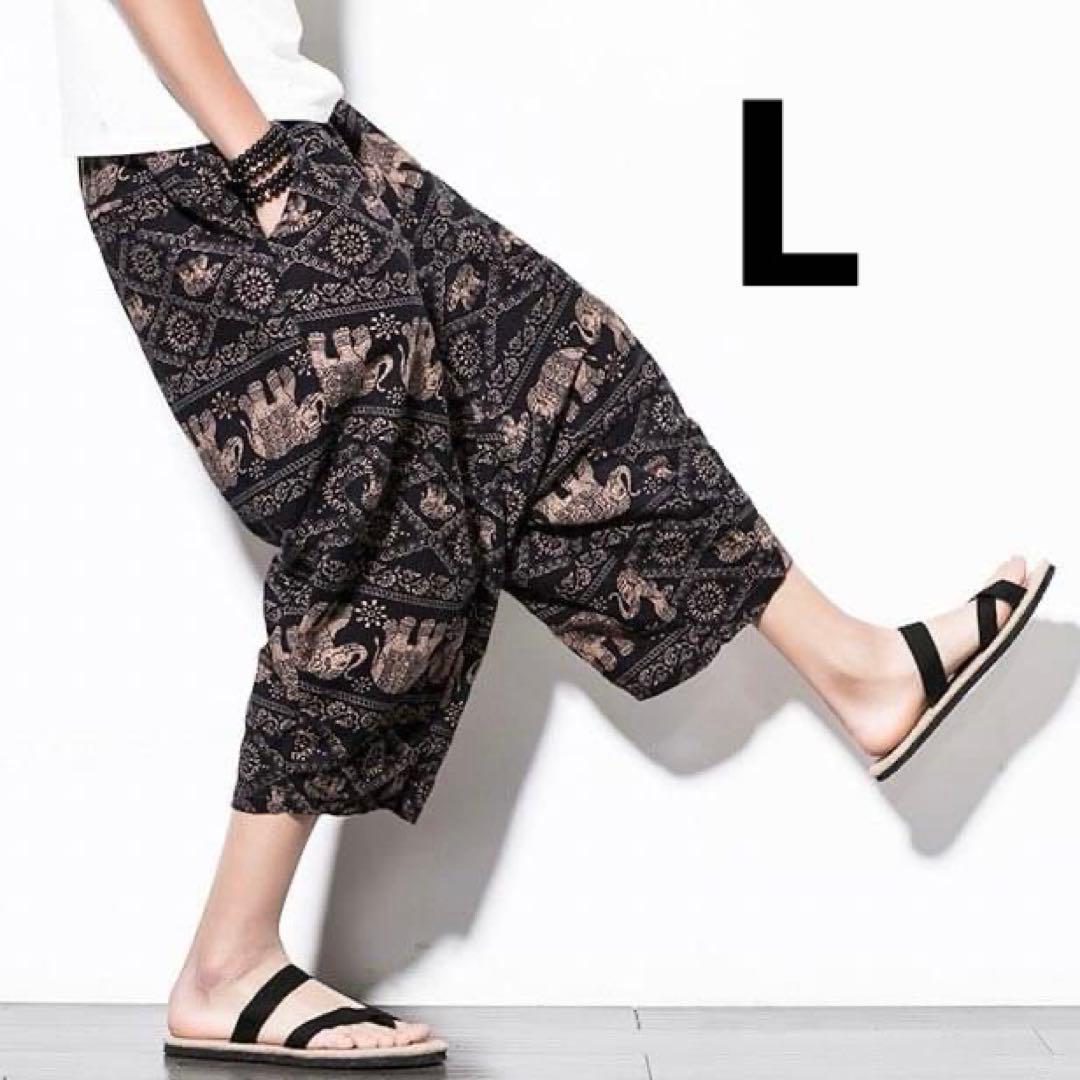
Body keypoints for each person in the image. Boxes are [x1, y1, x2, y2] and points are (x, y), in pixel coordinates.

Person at [56, 0, 1053, 1069]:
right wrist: (257, 158)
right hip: (193, 154)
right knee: (384, 515)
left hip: (300, 126)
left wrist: (284, 147)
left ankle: (859, 671)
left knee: (565, 366)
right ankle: (227, 963)